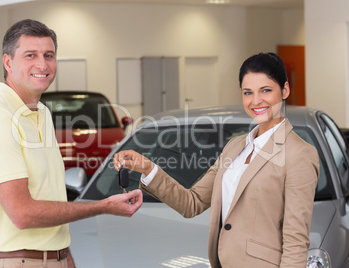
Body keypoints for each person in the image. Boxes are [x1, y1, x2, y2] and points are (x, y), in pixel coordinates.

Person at [114, 52, 319, 268]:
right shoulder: (236, 146)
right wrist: (147, 168)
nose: (256, 100)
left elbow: (296, 242)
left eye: (265, 90)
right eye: (248, 92)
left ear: (285, 90)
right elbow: (191, 203)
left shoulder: (299, 154)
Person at [0, 19, 143, 268]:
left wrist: (65, 256)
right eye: (31, 55)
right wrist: (103, 206)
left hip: (54, 258)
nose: (42, 64)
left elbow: (49, 198)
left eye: (49, 55)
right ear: (8, 62)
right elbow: (23, 213)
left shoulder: (42, 114)